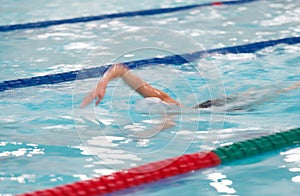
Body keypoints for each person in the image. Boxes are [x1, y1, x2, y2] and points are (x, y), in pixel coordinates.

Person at [81, 63, 300, 109]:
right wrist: (103, 83)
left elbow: (120, 69)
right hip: (216, 107)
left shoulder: (172, 105)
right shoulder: (169, 105)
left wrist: (103, 82)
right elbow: (119, 70)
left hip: (223, 107)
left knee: (280, 92)